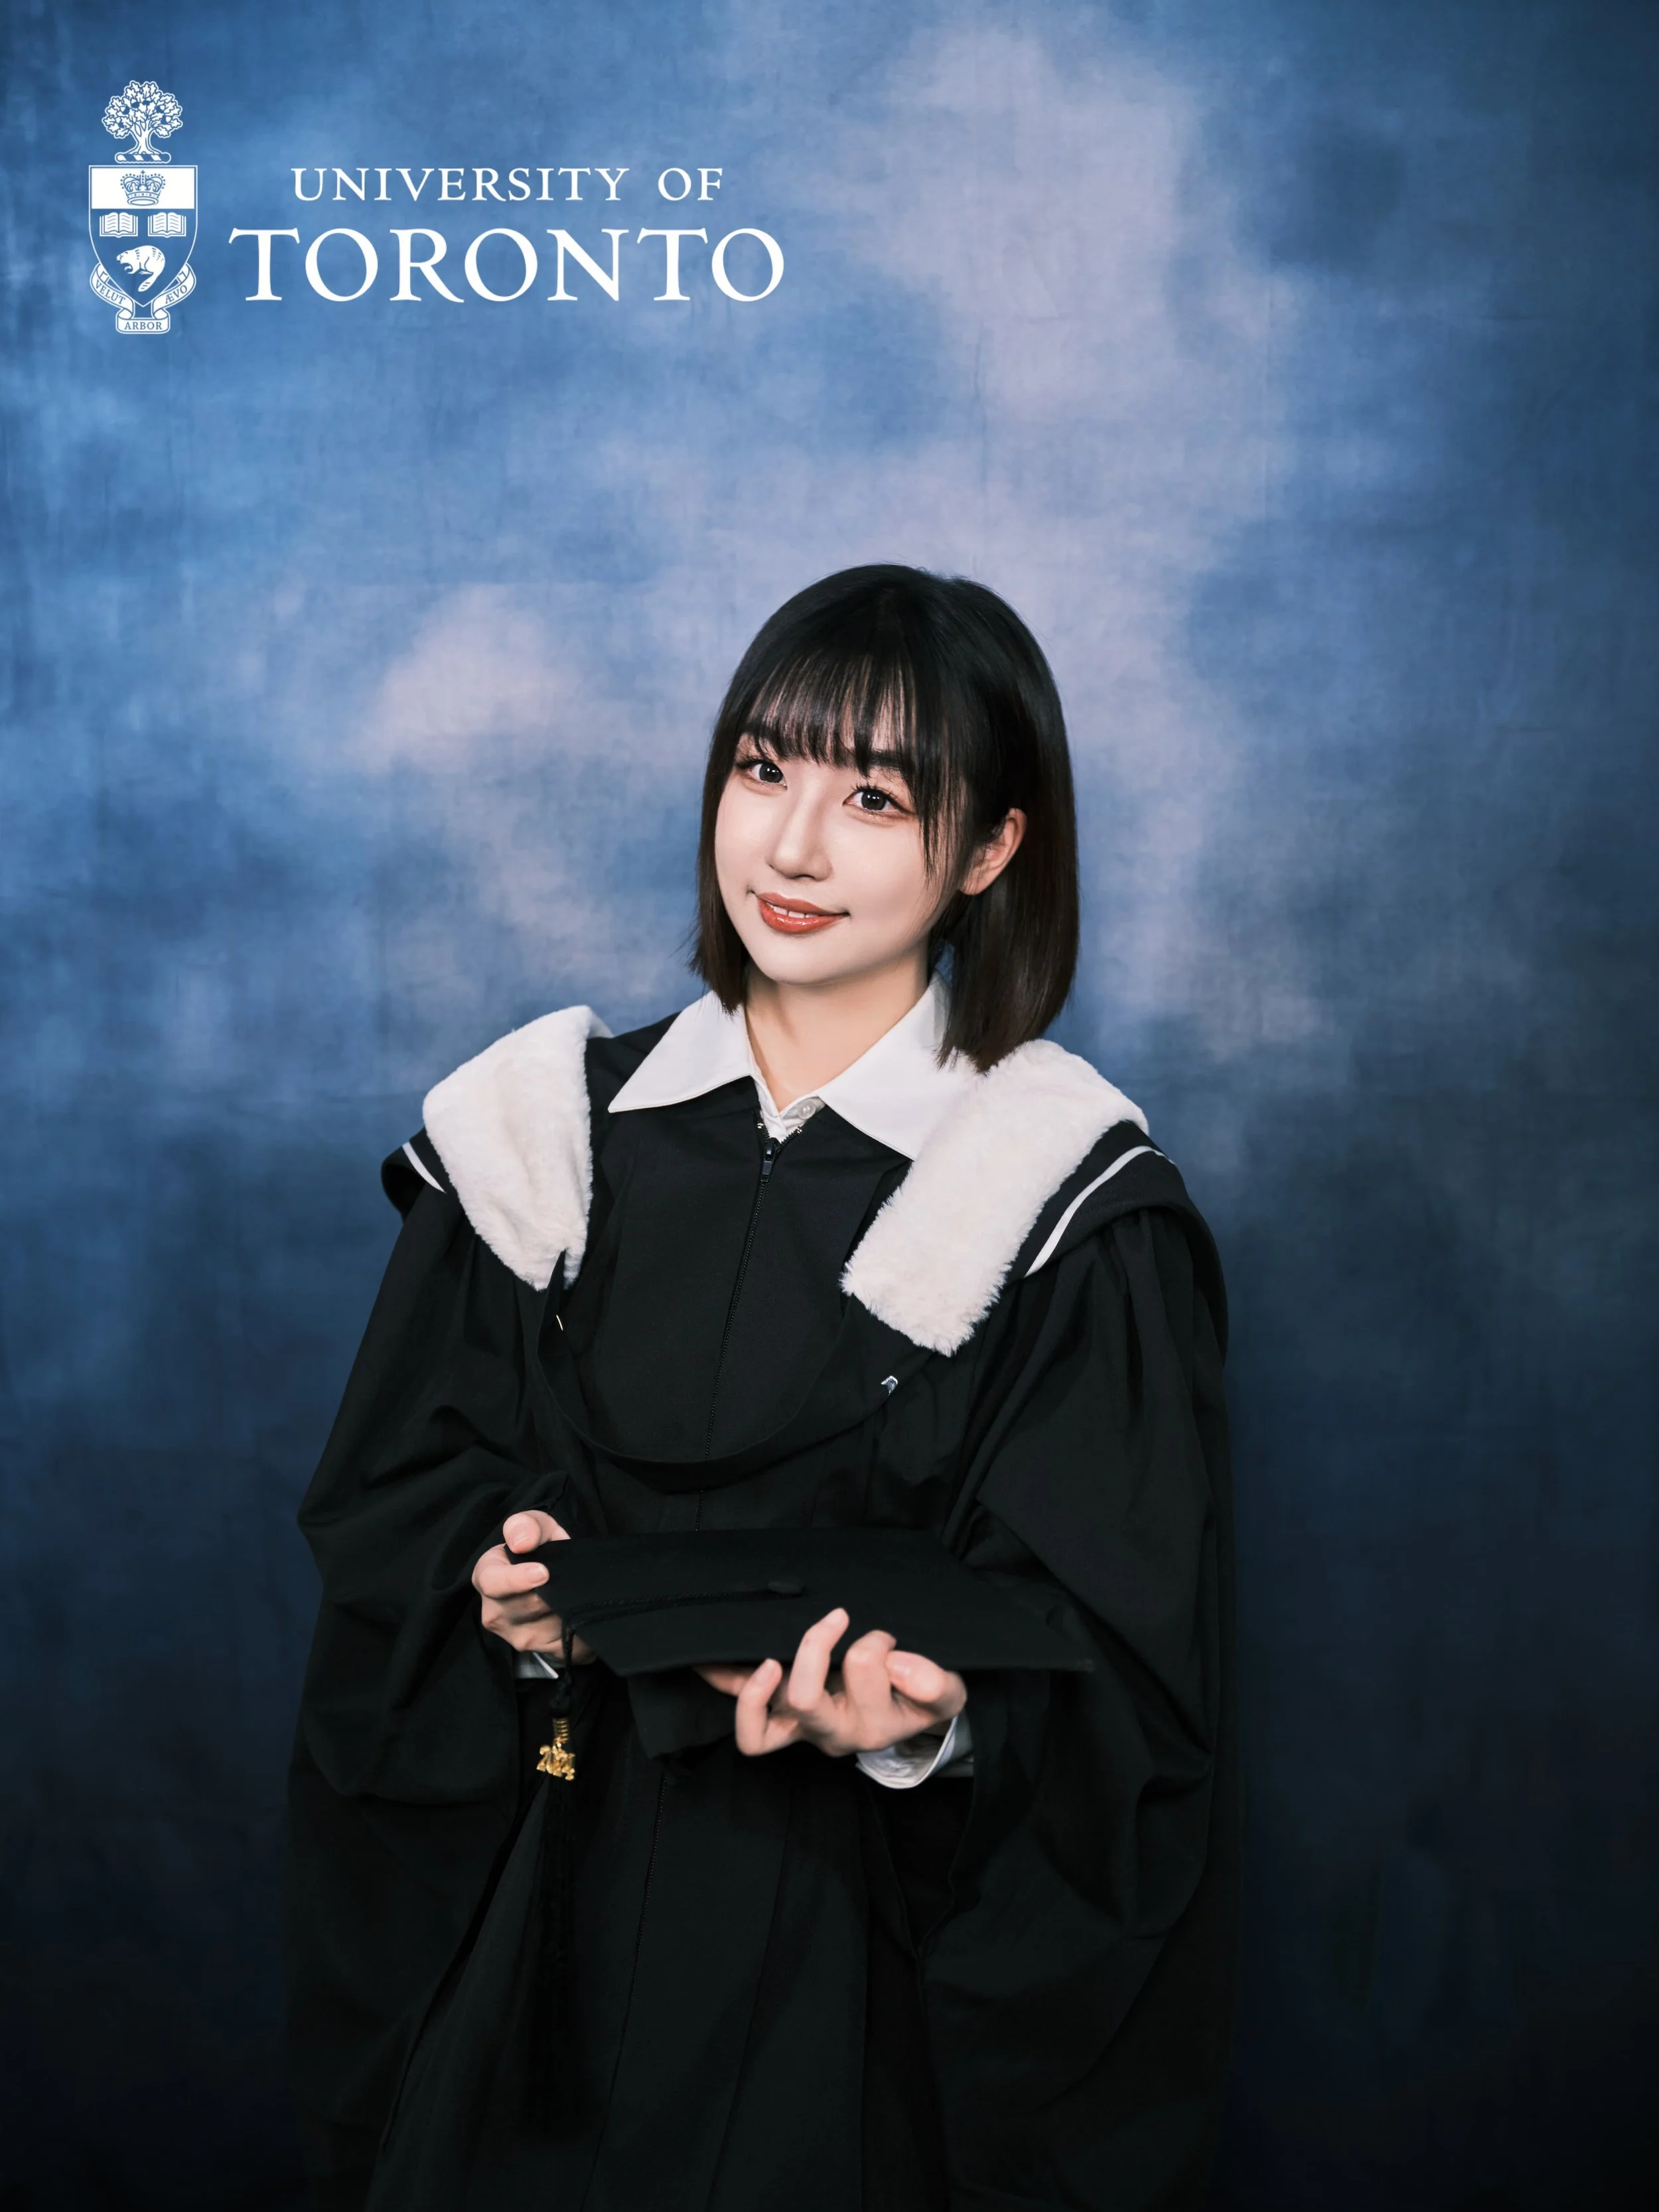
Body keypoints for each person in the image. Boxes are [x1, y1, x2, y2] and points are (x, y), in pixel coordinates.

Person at [286, 565, 1238, 2212]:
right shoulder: (539, 1139)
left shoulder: (1057, 1198)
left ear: (989, 848)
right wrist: (495, 1592)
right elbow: (397, 1516)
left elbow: (1122, 1683)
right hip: (538, 1928)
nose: (790, 849)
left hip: (853, 1983)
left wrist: (927, 1733)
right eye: (761, 767)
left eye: (875, 797)